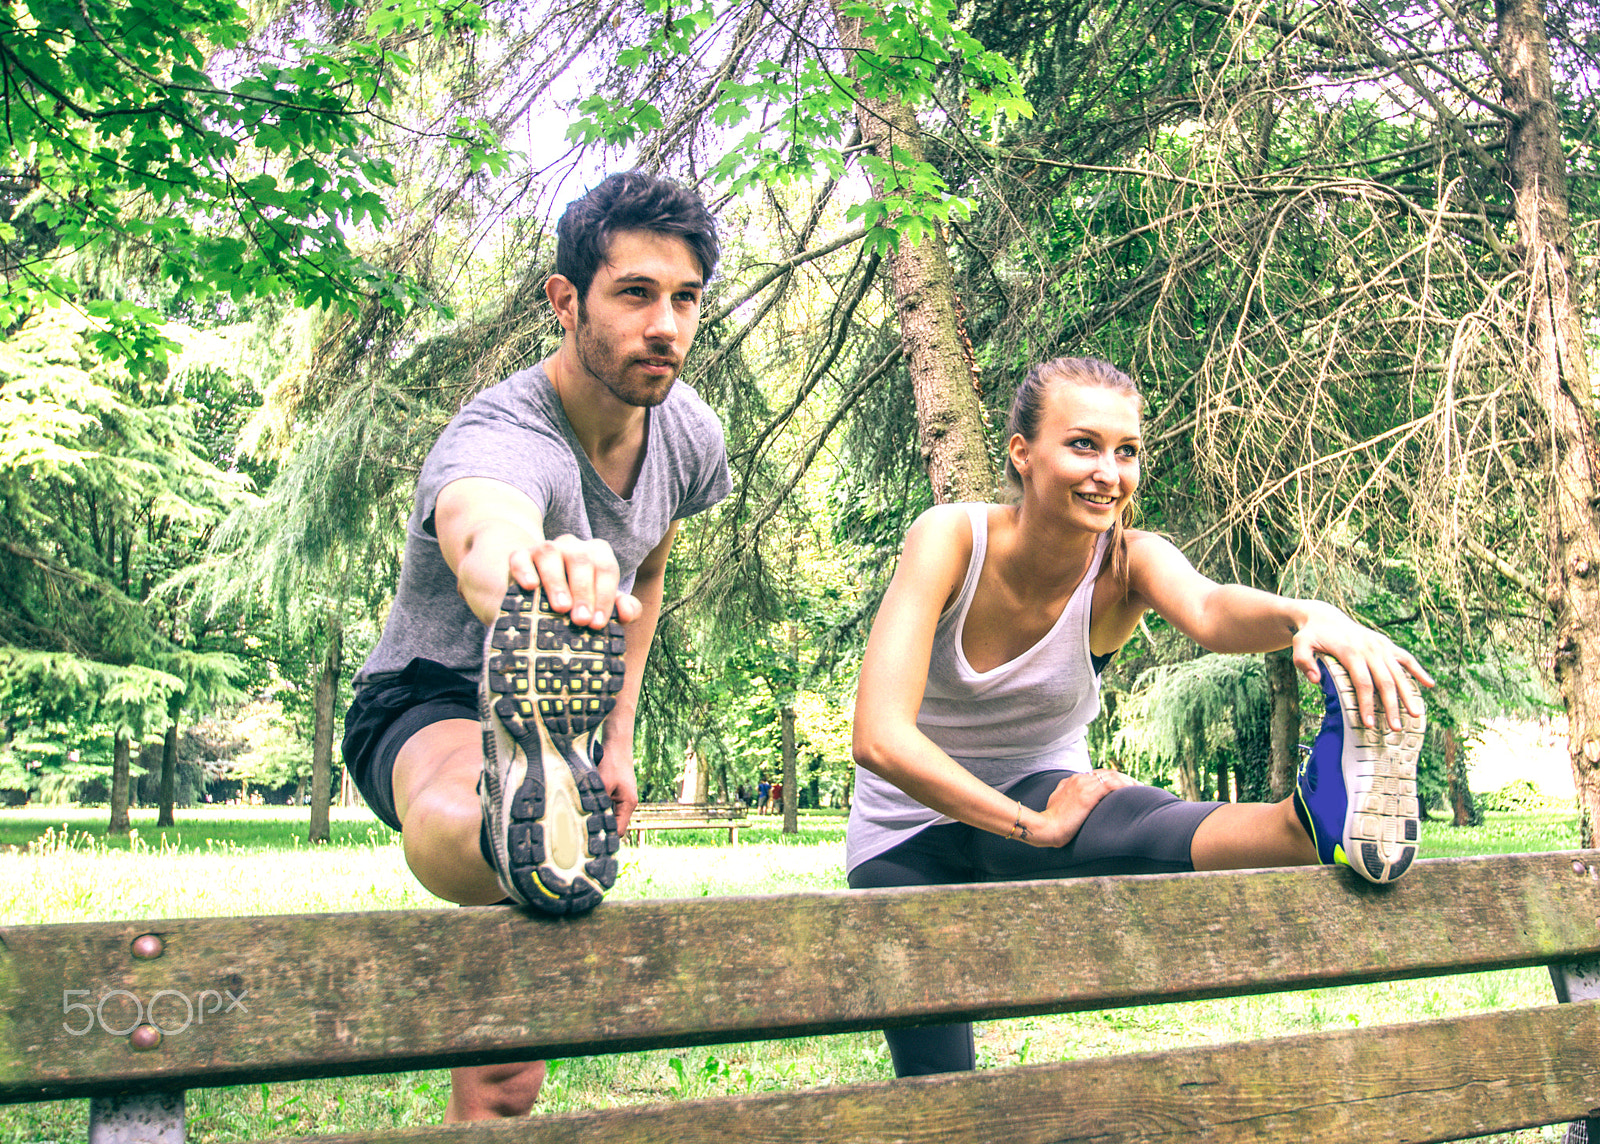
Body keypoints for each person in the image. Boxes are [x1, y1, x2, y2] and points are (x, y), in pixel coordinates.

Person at [846, 355, 1430, 1079]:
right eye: (1083, 444)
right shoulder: (950, 539)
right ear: (1022, 454)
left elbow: (1213, 610)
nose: (1109, 472)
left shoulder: (1127, 562)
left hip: (1042, 790)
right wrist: (1034, 825)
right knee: (937, 1087)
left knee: (1128, 813)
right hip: (905, 836)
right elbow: (878, 737)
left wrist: (1308, 614)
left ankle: (1312, 821)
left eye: (1127, 451)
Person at [340, 171, 731, 1120]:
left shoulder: (688, 433)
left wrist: (618, 742)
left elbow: (645, 573)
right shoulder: (504, 427)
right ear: (566, 301)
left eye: (685, 299)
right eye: (634, 294)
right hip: (430, 694)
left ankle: (541, 809)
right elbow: (481, 531)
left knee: (510, 1080)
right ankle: (506, 825)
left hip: (566, 733)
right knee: (458, 811)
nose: (665, 326)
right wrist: (537, 566)